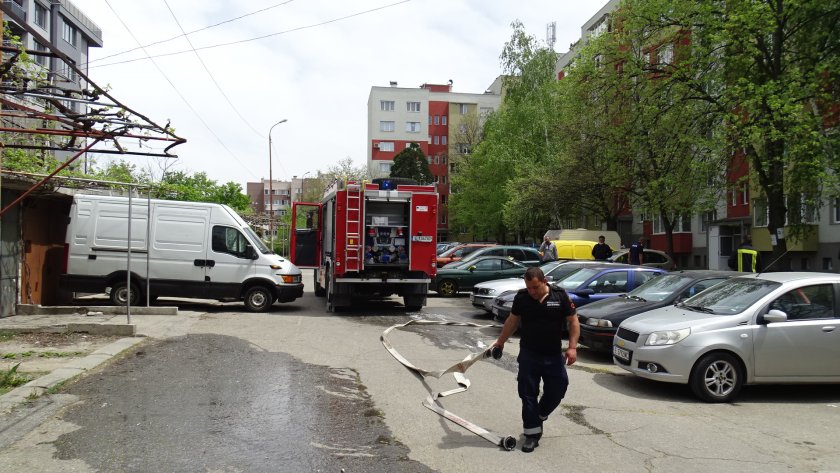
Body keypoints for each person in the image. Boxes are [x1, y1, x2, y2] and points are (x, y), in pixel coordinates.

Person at [492, 267, 579, 453]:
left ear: (544, 281)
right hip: (529, 354)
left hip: (553, 355)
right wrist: (500, 343)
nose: (532, 291)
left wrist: (572, 347)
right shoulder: (522, 298)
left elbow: (573, 321)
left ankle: (540, 414)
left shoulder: (560, 296)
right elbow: (512, 321)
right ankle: (532, 435)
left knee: (559, 388)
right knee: (527, 394)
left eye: (535, 287)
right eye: (529, 287)